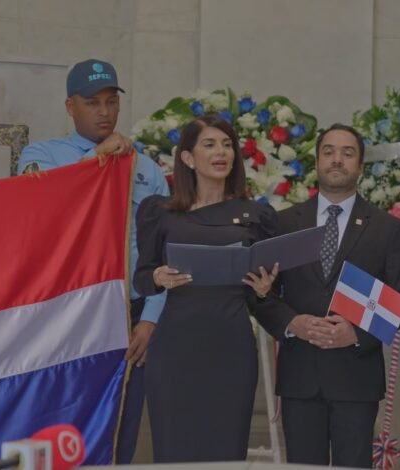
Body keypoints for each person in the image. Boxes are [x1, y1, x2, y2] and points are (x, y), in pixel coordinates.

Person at [17, 58, 169, 464]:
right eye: (92, 102)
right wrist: (95, 162)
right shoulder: (42, 154)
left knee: (120, 427)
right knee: (58, 423)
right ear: (70, 107)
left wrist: (151, 317)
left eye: (111, 101)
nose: (104, 112)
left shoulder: (147, 168)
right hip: (66, 311)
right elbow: (36, 213)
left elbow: (162, 248)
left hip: (129, 311)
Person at [253, 124, 400, 468]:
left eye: (347, 153)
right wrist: (291, 323)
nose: (337, 159)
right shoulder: (284, 224)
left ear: (360, 165)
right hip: (300, 377)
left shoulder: (386, 228)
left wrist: (357, 333)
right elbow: (260, 291)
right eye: (328, 152)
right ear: (317, 162)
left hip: (356, 377)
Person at [133, 114, 280, 463]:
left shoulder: (256, 215)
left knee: (225, 453)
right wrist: (158, 278)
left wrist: (264, 289)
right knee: (174, 453)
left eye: (227, 145)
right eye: (210, 144)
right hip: (175, 350)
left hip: (231, 348)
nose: (221, 152)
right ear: (187, 157)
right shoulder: (160, 212)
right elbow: (141, 278)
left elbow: (263, 292)